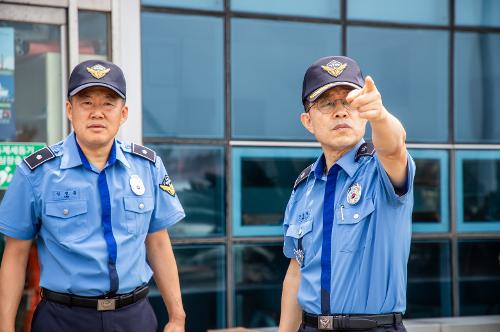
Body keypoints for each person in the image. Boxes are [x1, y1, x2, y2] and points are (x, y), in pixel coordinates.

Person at [0, 60, 186, 332]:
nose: (97, 113)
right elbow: (15, 254)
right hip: (63, 319)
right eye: (86, 102)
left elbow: (158, 243)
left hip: (134, 318)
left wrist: (177, 317)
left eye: (108, 104)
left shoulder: (148, 167)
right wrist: (6, 327)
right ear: (69, 110)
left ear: (123, 114)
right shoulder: (36, 173)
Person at [279, 56, 415, 332]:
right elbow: (296, 271)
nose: (340, 111)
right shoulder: (303, 187)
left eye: (349, 102)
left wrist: (381, 115)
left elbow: (394, 146)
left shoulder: (380, 170)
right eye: (328, 103)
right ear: (308, 121)